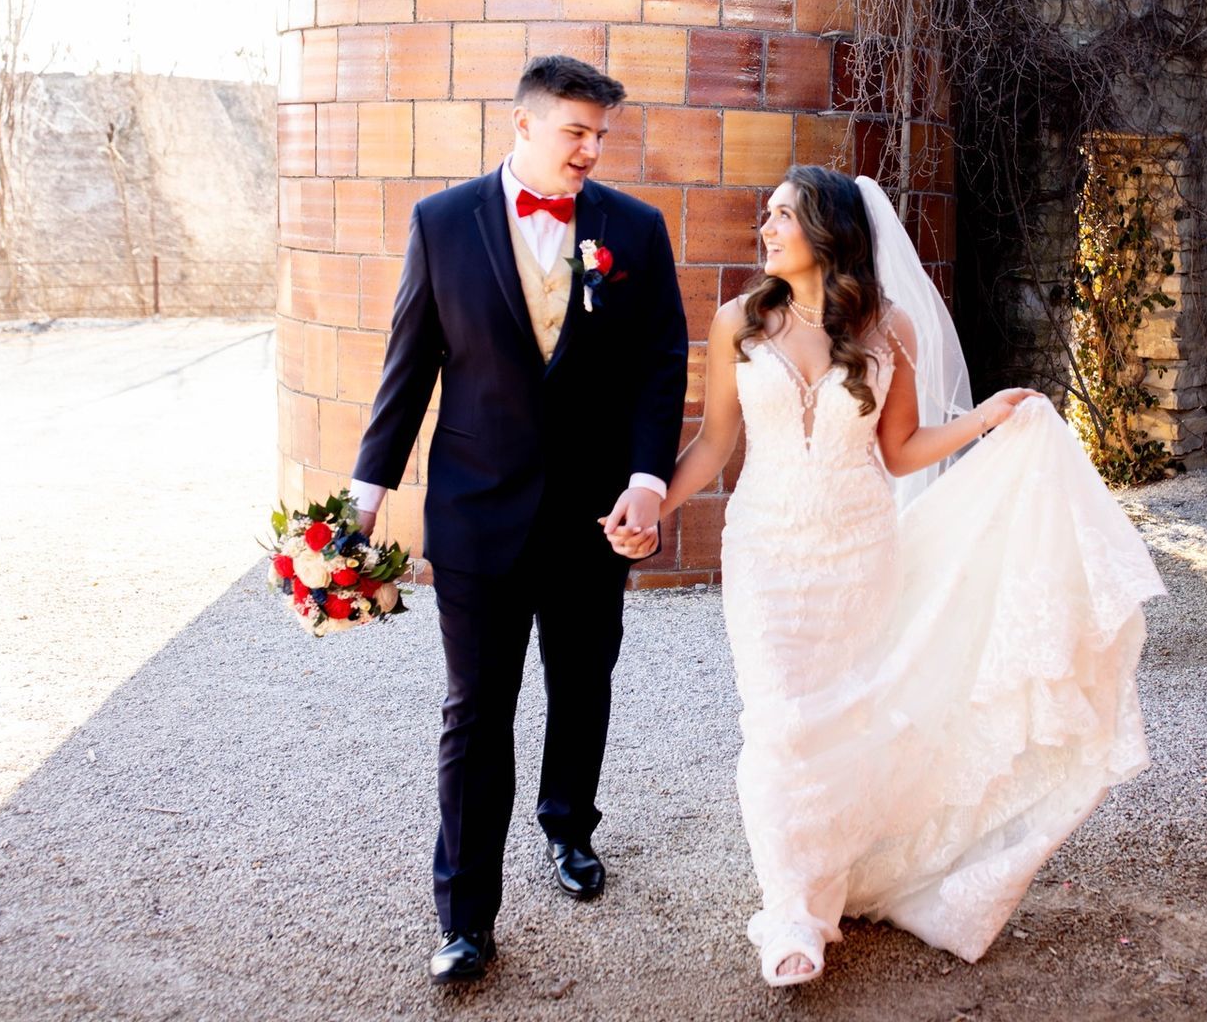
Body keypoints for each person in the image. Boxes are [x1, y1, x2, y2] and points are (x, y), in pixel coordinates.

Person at [611, 165, 1161, 986]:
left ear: (828, 232)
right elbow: (716, 443)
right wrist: (652, 504)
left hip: (859, 552)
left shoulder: (888, 326)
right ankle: (792, 914)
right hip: (765, 550)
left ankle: (826, 880)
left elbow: (899, 451)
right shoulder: (737, 321)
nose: (766, 228)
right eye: (766, 214)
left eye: (784, 216)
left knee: (842, 721)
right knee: (780, 723)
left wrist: (980, 421)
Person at [349, 55, 688, 984]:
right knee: (475, 711)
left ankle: (568, 827)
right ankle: (465, 917)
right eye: (577, 131)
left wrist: (648, 480)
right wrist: (362, 500)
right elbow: (407, 370)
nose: (592, 149)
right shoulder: (442, 223)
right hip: (475, 516)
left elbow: (662, 362)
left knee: (582, 686)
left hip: (590, 516)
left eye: (600, 135)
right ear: (525, 124)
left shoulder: (636, 229)